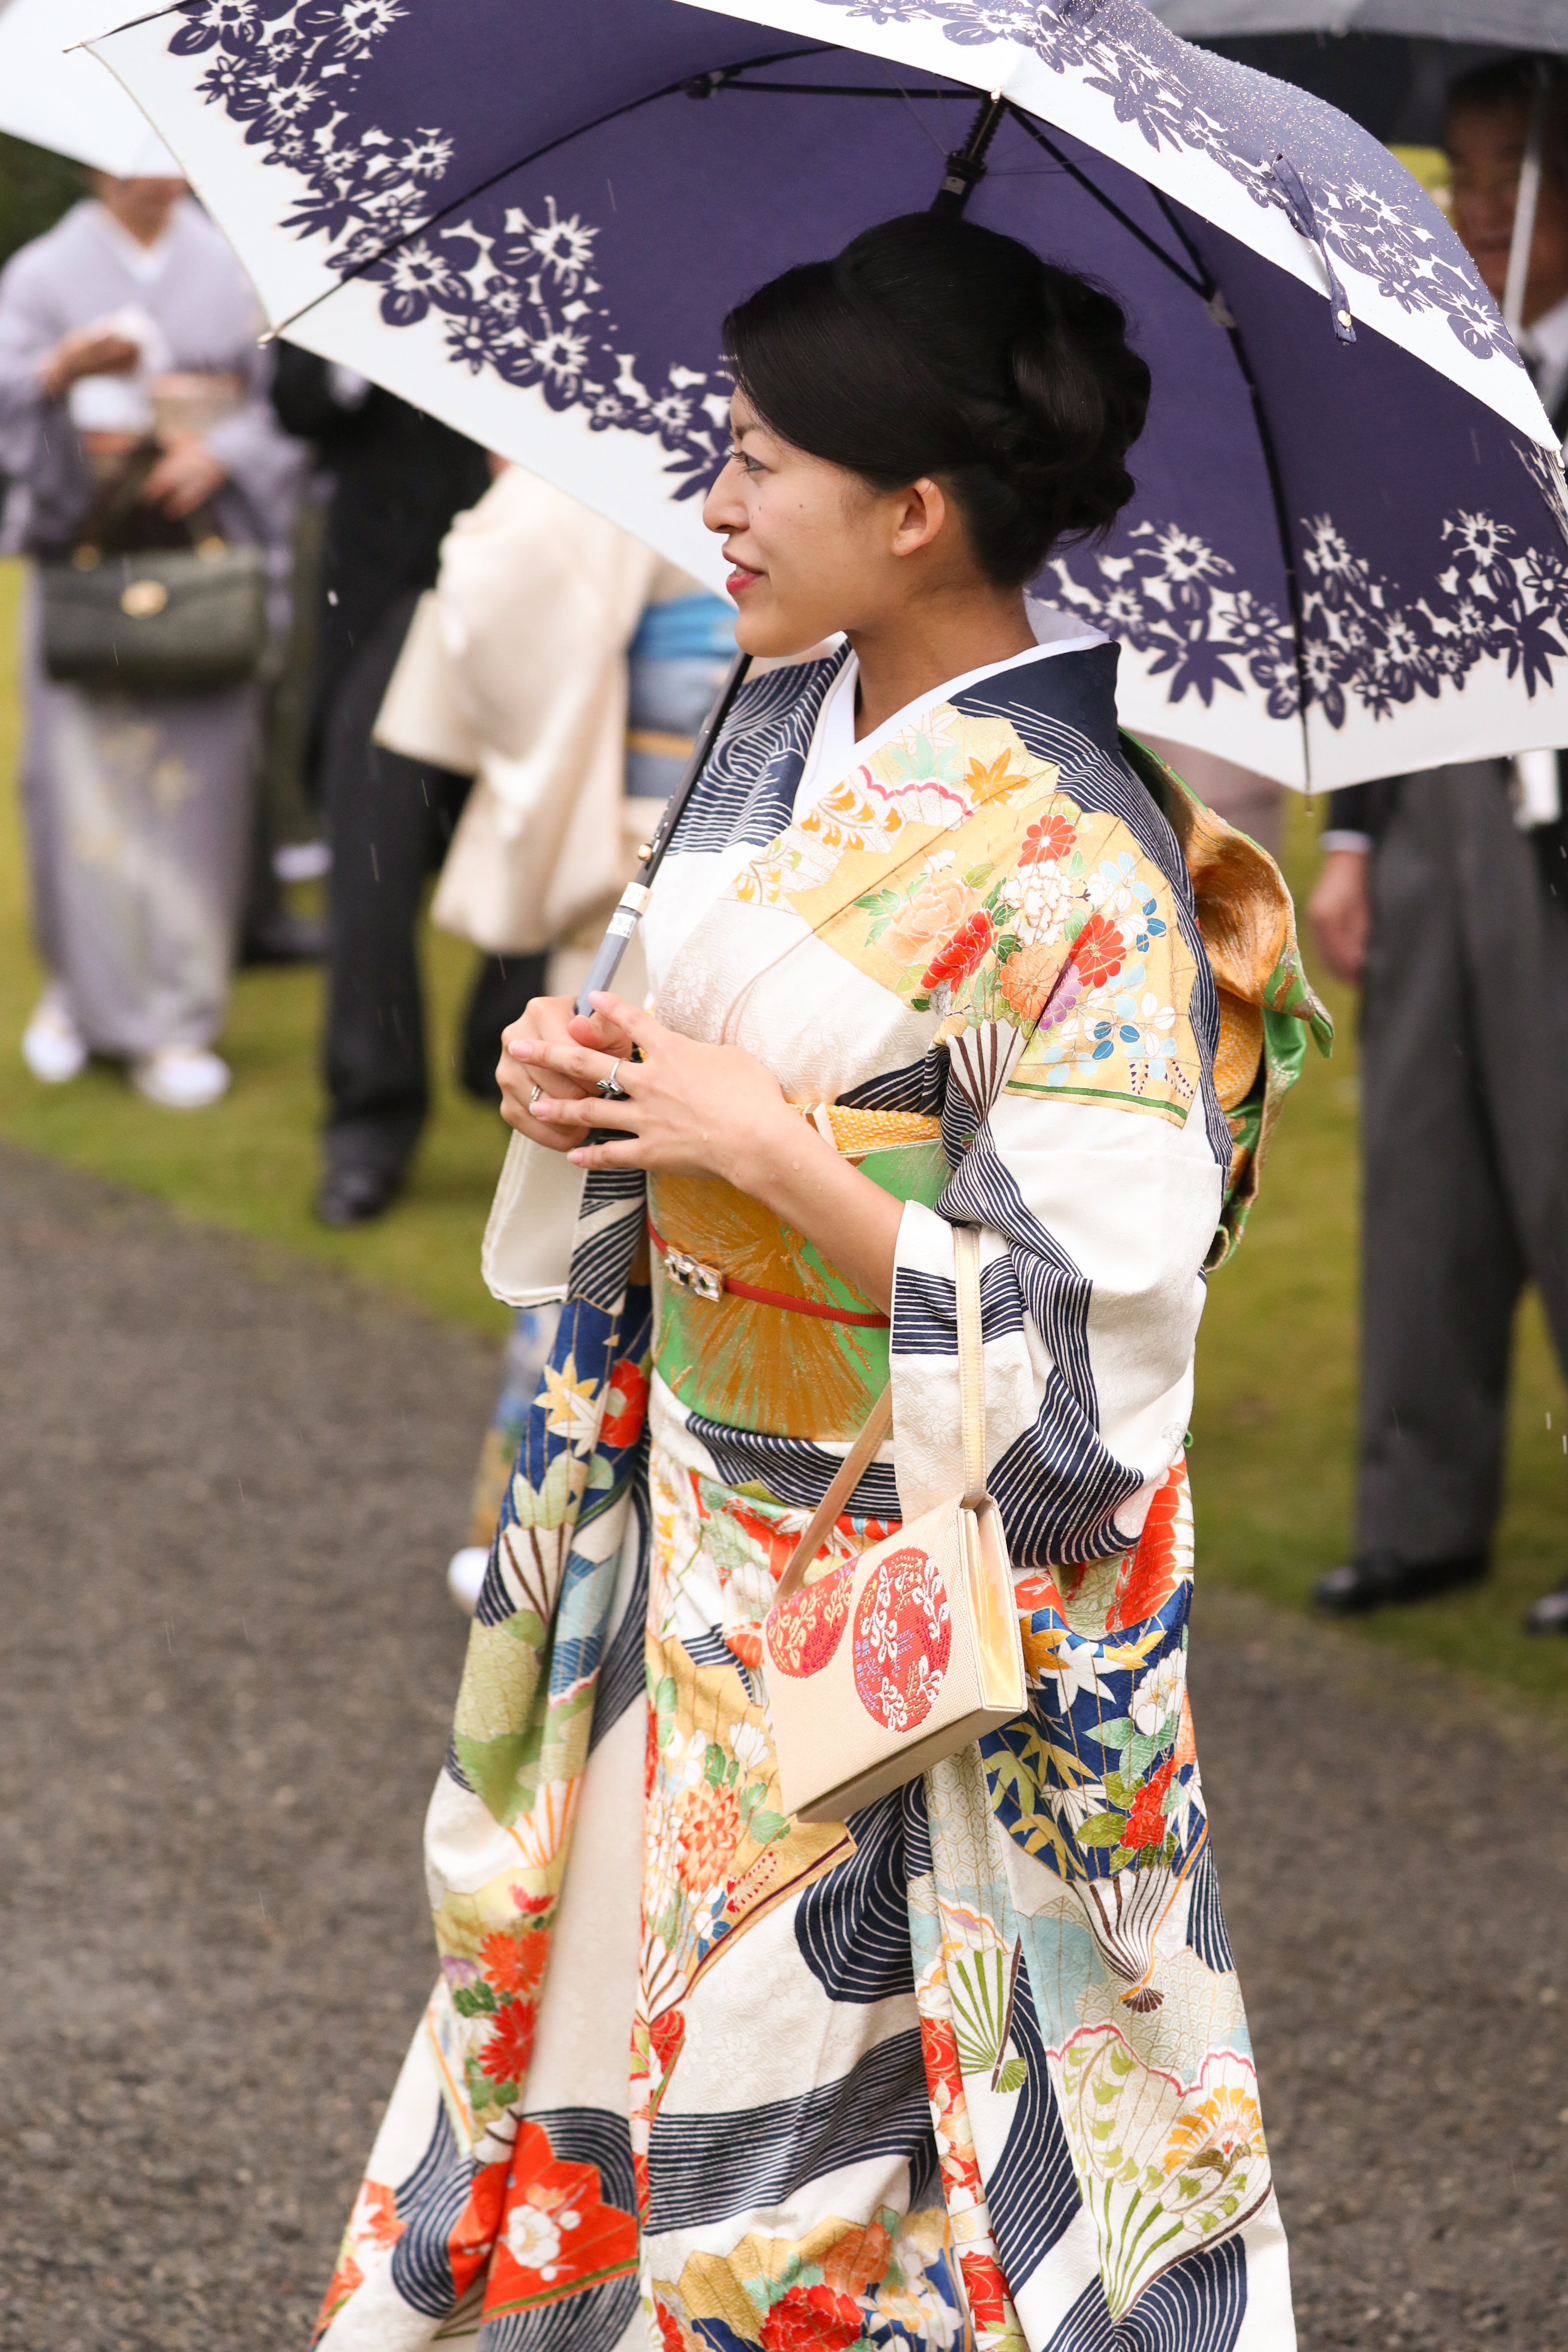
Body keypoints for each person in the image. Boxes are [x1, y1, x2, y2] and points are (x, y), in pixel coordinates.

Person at [317, 214, 1317, 2344]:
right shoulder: (778, 732)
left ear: (915, 506)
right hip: (690, 1535)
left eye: (760, 456)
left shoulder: (1080, 854)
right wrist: (566, 1073)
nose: (715, 496)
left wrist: (773, 1150)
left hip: (905, 1597)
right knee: (627, 2059)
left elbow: (1099, 1338)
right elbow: (654, 1043)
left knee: (825, 2166)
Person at [371, 459, 735, 1610]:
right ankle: (558, 1507)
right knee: (607, 1175)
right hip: (675, 821)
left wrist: (532, 484)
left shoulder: (638, 429)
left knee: (635, 1195)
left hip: (685, 807)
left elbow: (503, 576)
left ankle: (568, 1517)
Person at [1309, 55, 1568, 1633]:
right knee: (1418, 1166)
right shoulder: (1448, 383)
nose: (1467, 211)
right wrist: (1344, 841)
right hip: (1429, 812)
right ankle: (1415, 1505)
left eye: (1494, 178)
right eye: (1456, 178)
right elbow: (1380, 625)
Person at [0, 173, 301, 1106]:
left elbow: (286, 406)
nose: (144, 174)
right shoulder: (46, 271)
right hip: (90, 542)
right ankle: (80, 996)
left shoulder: (237, 263)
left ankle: (178, 1016)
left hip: (204, 546)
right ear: (91, 163)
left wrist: (223, 450)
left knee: (198, 793)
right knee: (70, 788)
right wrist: (57, 377)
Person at [267, 347, 493, 1225]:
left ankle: (497, 1045)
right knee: (371, 854)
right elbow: (296, 405)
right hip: (384, 588)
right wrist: (358, 354)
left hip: (544, 583)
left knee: (552, 826)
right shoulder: (378, 242)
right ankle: (371, 1119)